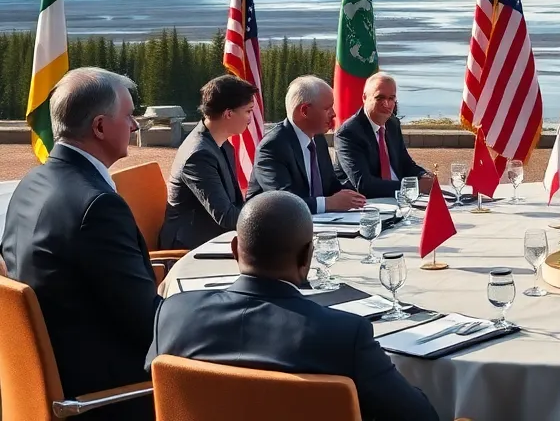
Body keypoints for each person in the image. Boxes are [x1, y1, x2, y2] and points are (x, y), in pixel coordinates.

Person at [146, 191, 439, 421]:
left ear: (235, 250)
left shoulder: (173, 312)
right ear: (307, 258)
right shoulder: (343, 335)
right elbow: (419, 416)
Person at [2, 68, 159, 421]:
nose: (135, 126)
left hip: (50, 378)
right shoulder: (97, 206)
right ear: (100, 127)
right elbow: (148, 325)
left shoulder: (31, 182)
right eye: (129, 116)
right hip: (103, 396)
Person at [160, 75, 256, 250]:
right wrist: (271, 212)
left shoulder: (222, 144)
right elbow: (226, 217)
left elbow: (234, 204)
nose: (251, 119)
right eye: (248, 111)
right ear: (228, 113)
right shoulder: (199, 155)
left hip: (216, 237)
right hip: (189, 248)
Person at [245, 76, 365, 212]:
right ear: (305, 111)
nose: (333, 114)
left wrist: (355, 196)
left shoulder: (318, 139)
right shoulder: (272, 147)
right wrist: (328, 203)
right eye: (327, 108)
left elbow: (331, 187)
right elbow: (284, 202)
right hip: (275, 228)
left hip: (319, 224)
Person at [334, 72, 431, 198]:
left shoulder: (393, 123)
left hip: (400, 197)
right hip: (367, 203)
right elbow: (363, 185)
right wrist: (414, 186)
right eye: (380, 98)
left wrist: (423, 175)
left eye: (391, 98)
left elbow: (405, 163)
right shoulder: (349, 133)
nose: (386, 104)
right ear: (364, 97)